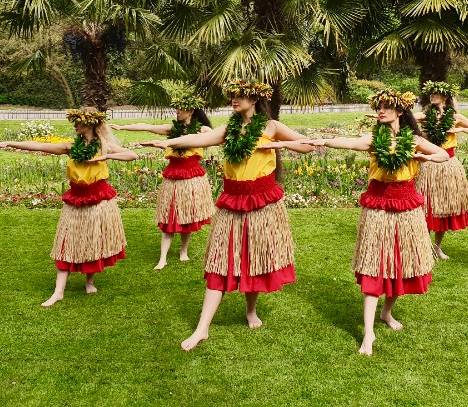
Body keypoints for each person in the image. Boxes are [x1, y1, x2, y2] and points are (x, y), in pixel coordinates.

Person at [140, 80, 314, 350]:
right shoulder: (228, 128)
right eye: (231, 96)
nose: (234, 100)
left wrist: (274, 146)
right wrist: (168, 142)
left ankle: (251, 310)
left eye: (240, 96)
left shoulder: (272, 127)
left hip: (262, 201)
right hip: (232, 202)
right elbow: (199, 139)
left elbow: (307, 146)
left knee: (255, 258)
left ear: (255, 99)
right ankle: (202, 328)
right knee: (220, 262)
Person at [300, 89, 448, 356]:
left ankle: (386, 313)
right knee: (376, 264)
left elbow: (443, 155)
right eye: (379, 106)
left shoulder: (414, 140)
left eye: (386, 106)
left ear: (400, 112)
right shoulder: (373, 139)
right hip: (378, 207)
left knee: (401, 265)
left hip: (406, 208)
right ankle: (368, 332)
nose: (381, 110)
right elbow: (350, 142)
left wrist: (424, 157)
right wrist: (324, 140)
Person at [0, 109, 137, 306]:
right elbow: (41, 146)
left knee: (92, 240)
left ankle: (90, 281)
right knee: (66, 242)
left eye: (77, 122)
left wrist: (104, 158)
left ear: (89, 124)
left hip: (98, 200)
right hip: (75, 200)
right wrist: (10, 143)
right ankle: (58, 292)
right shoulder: (71, 147)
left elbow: (131, 155)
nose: (74, 125)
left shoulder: (104, 147)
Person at [111, 95, 214, 269]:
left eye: (180, 109)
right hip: (173, 175)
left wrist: (163, 145)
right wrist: (122, 127)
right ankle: (162, 258)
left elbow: (214, 138)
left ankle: (184, 251)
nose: (177, 112)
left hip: (192, 177)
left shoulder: (203, 130)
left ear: (190, 110)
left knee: (188, 216)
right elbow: (148, 127)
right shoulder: (171, 128)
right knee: (170, 216)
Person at [413, 81, 468, 259]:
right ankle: (424, 246)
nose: (432, 96)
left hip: (448, 166)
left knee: (443, 207)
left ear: (445, 96)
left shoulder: (456, 117)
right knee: (427, 206)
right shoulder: (424, 116)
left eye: (436, 93)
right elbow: (405, 118)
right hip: (427, 165)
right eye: (431, 93)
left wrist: (458, 129)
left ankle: (436, 247)